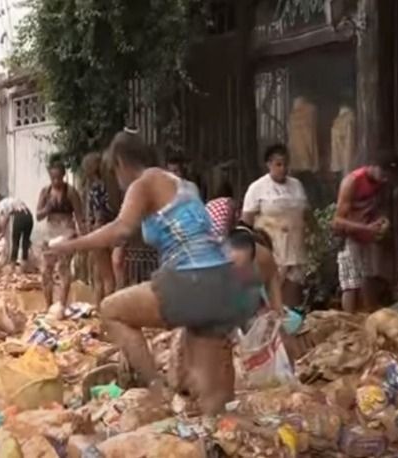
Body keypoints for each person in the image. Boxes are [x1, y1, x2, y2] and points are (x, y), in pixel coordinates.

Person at [47, 129, 258, 415]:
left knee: (111, 310)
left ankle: (157, 391)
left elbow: (121, 230)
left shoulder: (144, 182)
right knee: (213, 403)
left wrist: (70, 246)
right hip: (221, 284)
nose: (118, 182)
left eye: (114, 172)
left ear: (121, 163)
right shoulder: (183, 185)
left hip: (191, 280)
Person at [241, 144, 310, 306]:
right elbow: (246, 222)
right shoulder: (257, 188)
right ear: (269, 164)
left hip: (295, 249)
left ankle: (291, 320)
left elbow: (306, 214)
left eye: (285, 164)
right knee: (273, 298)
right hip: (272, 251)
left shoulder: (296, 186)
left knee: (293, 298)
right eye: (278, 164)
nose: (283, 168)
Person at [331, 152, 398, 312]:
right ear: (373, 166)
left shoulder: (381, 183)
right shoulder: (353, 181)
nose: (385, 179)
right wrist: (366, 228)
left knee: (367, 280)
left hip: (366, 239)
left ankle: (365, 316)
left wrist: (382, 221)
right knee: (351, 284)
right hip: (348, 237)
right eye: (383, 174)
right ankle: (347, 318)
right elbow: (338, 221)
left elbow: (376, 209)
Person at [36, 160, 83, 307]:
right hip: (50, 231)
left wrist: (83, 238)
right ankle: (49, 305)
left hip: (67, 231)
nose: (56, 181)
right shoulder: (45, 192)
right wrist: (47, 208)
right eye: (53, 178)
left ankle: (61, 305)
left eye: (58, 178)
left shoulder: (71, 192)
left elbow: (79, 216)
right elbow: (38, 216)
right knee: (46, 270)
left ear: (63, 175)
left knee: (63, 268)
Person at [82, 152, 117, 302]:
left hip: (98, 230)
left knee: (100, 276)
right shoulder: (109, 187)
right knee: (109, 277)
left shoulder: (93, 188)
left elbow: (96, 214)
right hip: (111, 228)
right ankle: (106, 308)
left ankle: (99, 308)